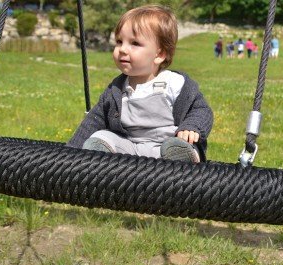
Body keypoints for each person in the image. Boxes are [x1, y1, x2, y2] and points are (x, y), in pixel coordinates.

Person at [67, 5, 213, 163]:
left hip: (168, 147)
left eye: (134, 43)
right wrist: (70, 153)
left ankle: (183, 162)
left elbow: (201, 109)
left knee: (181, 146)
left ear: (160, 54)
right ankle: (99, 162)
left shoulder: (175, 84)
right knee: (100, 137)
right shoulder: (116, 89)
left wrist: (191, 127)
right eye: (119, 41)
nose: (122, 49)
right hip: (131, 148)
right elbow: (94, 120)